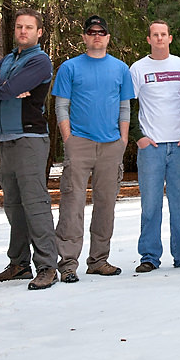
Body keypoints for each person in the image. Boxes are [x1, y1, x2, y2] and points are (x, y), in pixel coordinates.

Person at [0, 8, 58, 290]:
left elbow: (8, 90)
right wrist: (3, 84)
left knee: (35, 204)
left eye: (29, 27)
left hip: (30, 139)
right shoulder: (10, 58)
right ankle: (19, 264)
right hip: (6, 139)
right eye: (19, 27)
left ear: (39, 32)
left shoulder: (40, 61)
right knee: (13, 205)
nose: (23, 31)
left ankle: (47, 266)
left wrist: (3, 86)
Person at [52, 15, 134, 282]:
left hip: (111, 146)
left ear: (108, 37)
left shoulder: (121, 69)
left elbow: (125, 108)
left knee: (106, 204)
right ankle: (67, 263)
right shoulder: (70, 68)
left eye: (101, 32)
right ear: (85, 37)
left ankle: (99, 260)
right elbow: (61, 106)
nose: (97, 35)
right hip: (80, 144)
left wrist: (122, 141)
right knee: (72, 203)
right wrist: (69, 139)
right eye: (91, 31)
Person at [129, 21, 180, 273]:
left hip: (179, 145)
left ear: (170, 38)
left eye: (163, 34)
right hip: (151, 147)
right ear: (148, 39)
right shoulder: (138, 69)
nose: (159, 38)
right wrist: (139, 137)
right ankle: (149, 256)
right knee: (150, 204)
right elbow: (129, 105)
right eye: (154, 35)